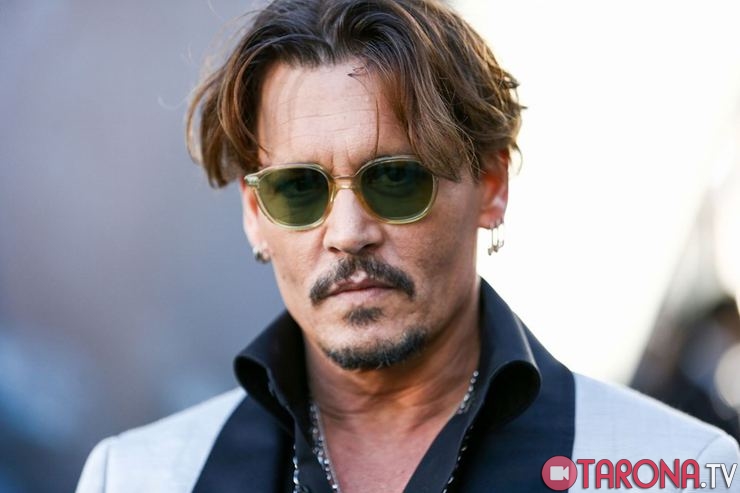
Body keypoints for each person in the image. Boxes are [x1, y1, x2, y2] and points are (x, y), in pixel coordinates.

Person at [76, 0, 740, 491]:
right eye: (299, 189)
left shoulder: (677, 470)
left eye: (395, 179)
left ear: (491, 187)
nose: (348, 233)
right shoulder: (135, 477)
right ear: (256, 216)